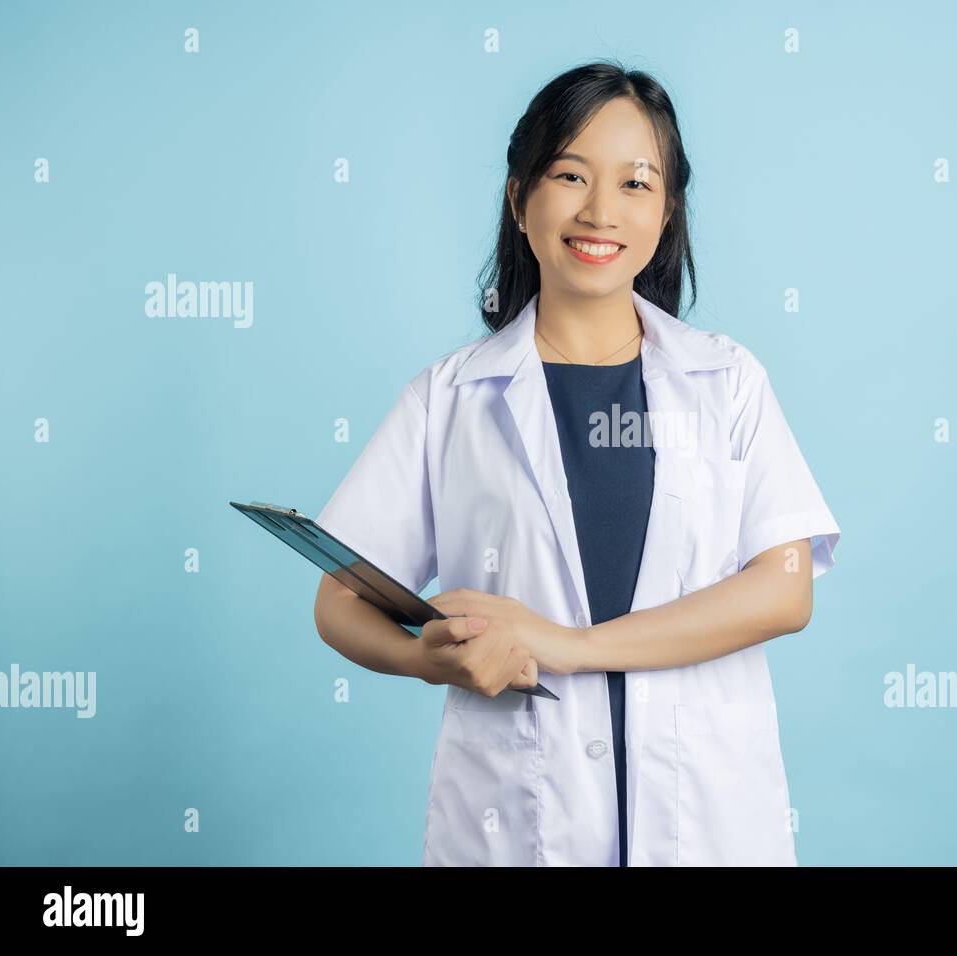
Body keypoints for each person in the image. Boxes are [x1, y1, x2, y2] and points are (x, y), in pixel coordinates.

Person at [312, 60, 840, 867]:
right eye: (569, 174)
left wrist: (565, 644)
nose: (600, 211)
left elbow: (786, 588)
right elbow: (340, 599)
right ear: (520, 198)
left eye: (636, 183)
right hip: (515, 826)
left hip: (707, 825)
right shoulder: (449, 398)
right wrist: (423, 658)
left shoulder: (727, 382)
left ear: (667, 212)